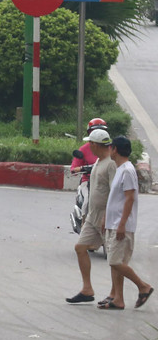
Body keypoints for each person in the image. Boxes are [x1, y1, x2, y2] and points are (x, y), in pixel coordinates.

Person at [99, 136, 153, 310]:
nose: (109, 150)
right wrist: (106, 218)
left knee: (115, 262)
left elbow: (130, 198)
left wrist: (122, 224)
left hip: (121, 225)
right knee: (115, 263)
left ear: (115, 149)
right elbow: (115, 198)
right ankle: (118, 298)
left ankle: (143, 286)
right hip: (113, 223)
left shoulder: (128, 170)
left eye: (111, 147)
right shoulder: (120, 169)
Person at [66, 129, 116, 304]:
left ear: (95, 145)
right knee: (80, 247)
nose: (89, 147)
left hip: (104, 216)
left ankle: (138, 287)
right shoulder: (98, 162)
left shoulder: (111, 164)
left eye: (90, 144)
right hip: (92, 215)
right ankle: (87, 289)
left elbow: (114, 192)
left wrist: (107, 216)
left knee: (115, 259)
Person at [71, 118, 108, 182]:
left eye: (101, 131)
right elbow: (73, 169)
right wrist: (84, 169)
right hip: (88, 180)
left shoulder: (112, 148)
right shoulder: (83, 149)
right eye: (94, 131)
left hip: (106, 180)